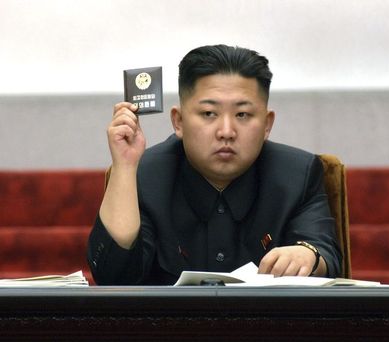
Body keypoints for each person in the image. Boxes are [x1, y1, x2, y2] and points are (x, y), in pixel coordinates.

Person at [87, 44, 342, 285]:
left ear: (266, 124)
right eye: (209, 113)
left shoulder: (298, 174)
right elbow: (113, 276)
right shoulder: (145, 175)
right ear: (178, 122)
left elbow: (324, 251)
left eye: (242, 114)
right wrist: (125, 167)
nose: (226, 131)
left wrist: (307, 255)